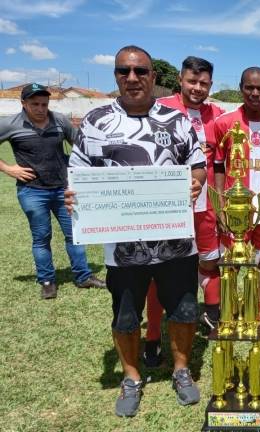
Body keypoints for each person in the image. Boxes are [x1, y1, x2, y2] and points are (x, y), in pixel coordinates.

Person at [65, 45, 206, 417]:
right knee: (126, 315)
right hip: (123, 245)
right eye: (123, 72)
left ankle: (180, 369)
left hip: (175, 241)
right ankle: (131, 376)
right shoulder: (96, 121)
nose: (132, 78)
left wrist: (194, 182)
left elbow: (197, 164)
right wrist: (73, 198)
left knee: (185, 310)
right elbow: (78, 176)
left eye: (140, 71)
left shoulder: (177, 121)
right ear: (115, 76)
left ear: (153, 77)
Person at [141, 56, 225, 368]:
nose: (197, 88)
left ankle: (214, 321)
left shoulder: (217, 113)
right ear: (180, 79)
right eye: (192, 81)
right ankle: (152, 337)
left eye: (203, 83)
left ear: (210, 85)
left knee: (210, 264)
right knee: (157, 271)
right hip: (165, 209)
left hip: (205, 208)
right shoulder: (158, 108)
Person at [0, 83, 105, 299]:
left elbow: (80, 144)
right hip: (32, 192)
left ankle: (83, 276)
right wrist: (9, 168)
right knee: (41, 237)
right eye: (35, 104)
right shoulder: (10, 124)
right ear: (23, 103)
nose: (40, 108)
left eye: (44, 104)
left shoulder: (59, 121)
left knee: (74, 235)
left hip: (63, 190)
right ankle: (47, 280)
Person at [213, 66, 260, 325]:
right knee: (231, 265)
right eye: (249, 87)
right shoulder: (224, 123)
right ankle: (230, 311)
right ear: (241, 88)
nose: (255, 93)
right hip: (234, 211)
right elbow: (218, 166)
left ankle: (258, 312)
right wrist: (221, 205)